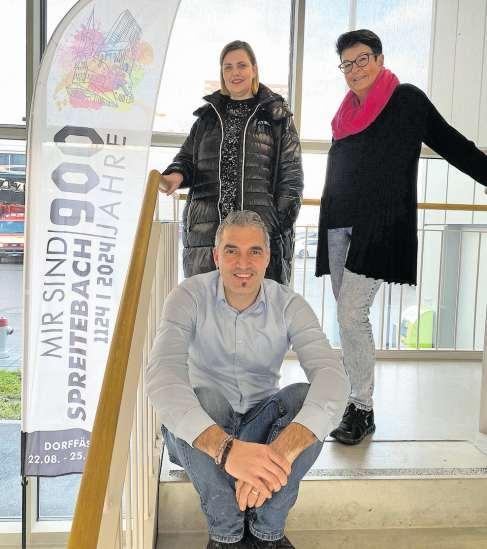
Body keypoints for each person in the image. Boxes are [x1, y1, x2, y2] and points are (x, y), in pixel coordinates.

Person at [316, 29, 487, 445]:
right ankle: (358, 403)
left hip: (379, 225)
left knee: (351, 314)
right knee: (348, 316)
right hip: (338, 222)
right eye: (347, 64)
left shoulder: (406, 100)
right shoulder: (344, 113)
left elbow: (452, 144)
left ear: (379, 59)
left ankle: (361, 408)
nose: (355, 69)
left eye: (363, 59)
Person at [147, 210, 349, 549]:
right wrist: (227, 450)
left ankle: (267, 533)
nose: (243, 263)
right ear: (216, 256)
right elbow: (163, 374)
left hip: (261, 430)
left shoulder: (289, 304)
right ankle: (226, 536)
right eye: (232, 251)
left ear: (267, 257)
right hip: (204, 439)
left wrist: (281, 451)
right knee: (204, 399)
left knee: (306, 397)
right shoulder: (188, 295)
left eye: (254, 251)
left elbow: (332, 376)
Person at [159, 40, 303, 285]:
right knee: (206, 303)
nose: (235, 72)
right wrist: (175, 175)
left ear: (254, 69)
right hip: (207, 235)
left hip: (259, 234)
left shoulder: (276, 116)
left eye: (241, 65)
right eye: (228, 67)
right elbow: (186, 159)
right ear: (222, 73)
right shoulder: (207, 118)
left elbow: (292, 177)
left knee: (259, 305)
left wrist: (276, 225)